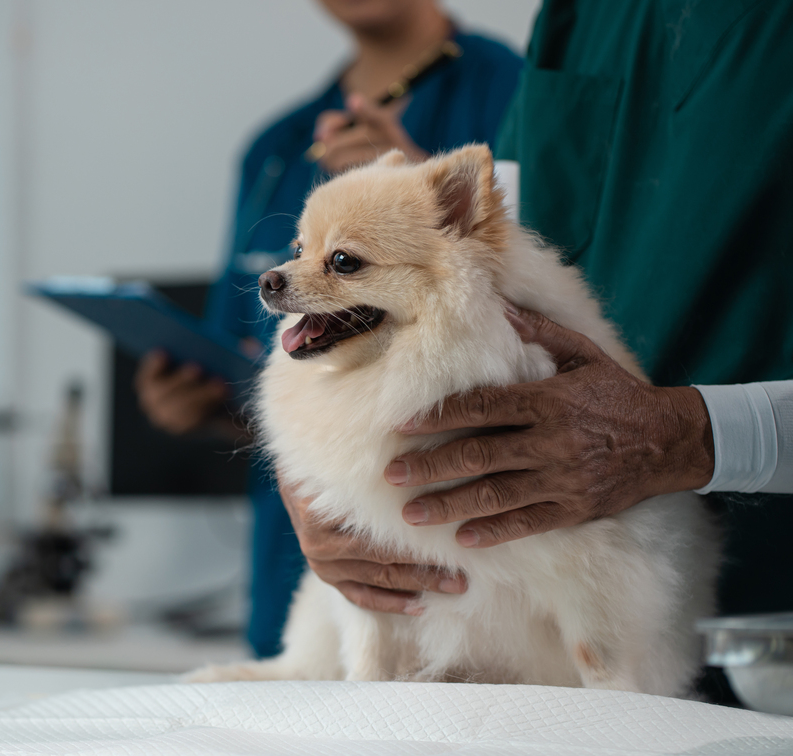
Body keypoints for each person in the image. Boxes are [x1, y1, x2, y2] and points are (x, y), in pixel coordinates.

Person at [278, 0, 793, 703]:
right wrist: (323, 471)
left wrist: (694, 436)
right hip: (530, 652)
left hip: (764, 616)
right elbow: (492, 247)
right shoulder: (576, 17)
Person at [134, 0, 523, 658]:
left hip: (468, 579)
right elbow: (264, 369)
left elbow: (550, 319)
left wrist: (413, 197)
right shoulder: (275, 148)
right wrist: (203, 403)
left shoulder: (517, 98)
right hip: (294, 576)